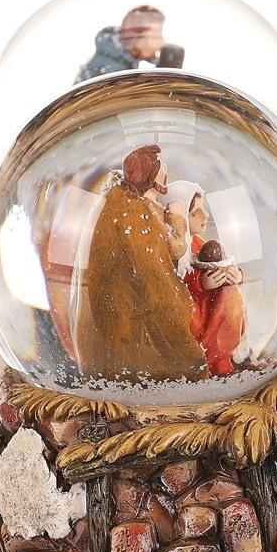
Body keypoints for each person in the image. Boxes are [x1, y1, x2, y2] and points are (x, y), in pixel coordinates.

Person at [70, 145, 207, 383]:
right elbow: (166, 257)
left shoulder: (128, 204)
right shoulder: (139, 213)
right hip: (133, 307)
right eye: (162, 167)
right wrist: (176, 216)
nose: (166, 170)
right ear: (152, 177)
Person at [183, 240, 248, 376]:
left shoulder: (199, 242)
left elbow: (232, 266)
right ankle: (208, 360)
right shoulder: (182, 245)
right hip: (198, 305)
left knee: (230, 304)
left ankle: (223, 357)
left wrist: (237, 276)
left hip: (218, 304)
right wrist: (200, 282)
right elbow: (179, 276)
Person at [74, 6, 185, 84]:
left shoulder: (122, 60)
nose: (162, 43)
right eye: (157, 35)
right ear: (135, 34)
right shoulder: (111, 70)